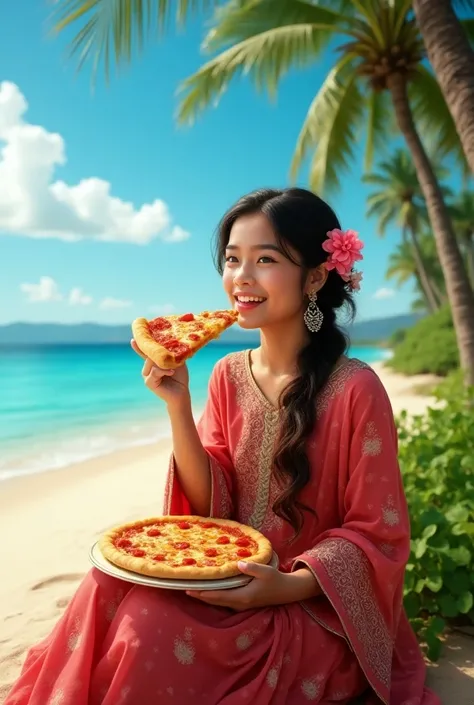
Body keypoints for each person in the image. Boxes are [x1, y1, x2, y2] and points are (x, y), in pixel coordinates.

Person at [5, 188, 440, 705]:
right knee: (104, 585)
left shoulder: (355, 388)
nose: (242, 277)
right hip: (224, 576)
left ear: (318, 277)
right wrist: (176, 405)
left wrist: (286, 584)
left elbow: (380, 535)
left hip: (313, 608)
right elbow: (211, 506)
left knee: (148, 625)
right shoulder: (226, 375)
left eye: (266, 260)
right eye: (233, 259)